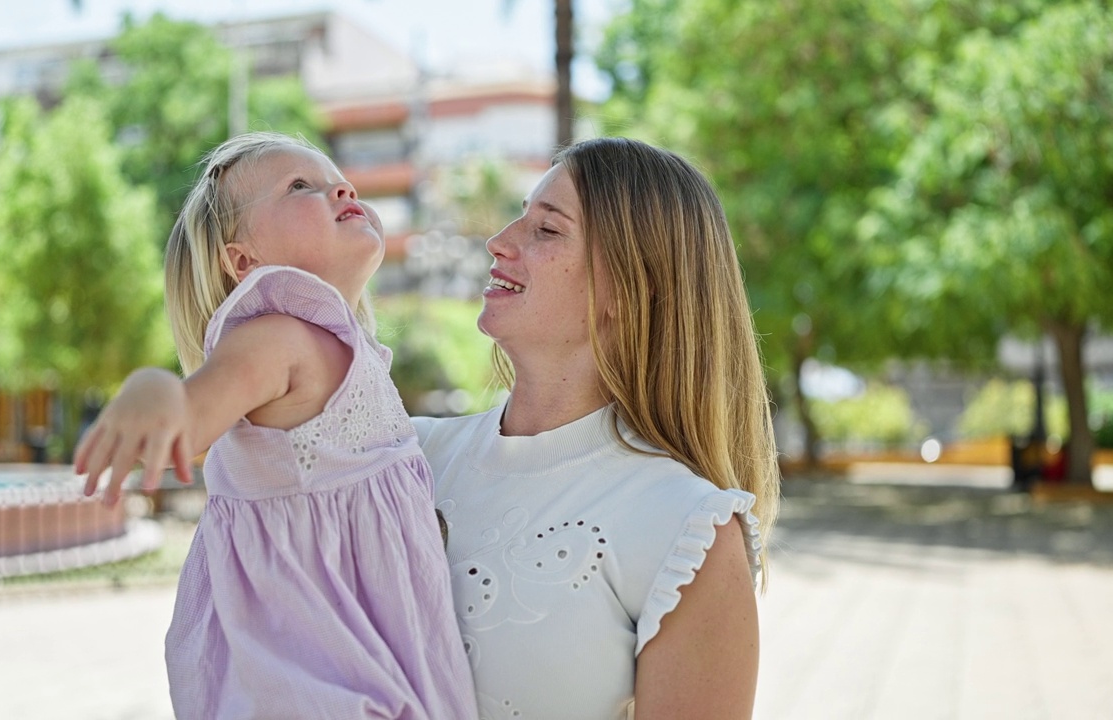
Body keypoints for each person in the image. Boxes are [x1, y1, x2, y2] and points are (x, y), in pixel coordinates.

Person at [72, 132, 477, 719]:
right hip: (315, 679)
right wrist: (153, 389)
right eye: (299, 186)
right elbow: (190, 418)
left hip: (375, 663)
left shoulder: (348, 354)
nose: (340, 186)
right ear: (244, 261)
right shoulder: (276, 339)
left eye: (336, 176)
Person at [411, 137, 781, 719]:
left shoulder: (687, 528)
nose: (499, 242)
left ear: (631, 288)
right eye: (520, 217)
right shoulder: (408, 455)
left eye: (547, 230)